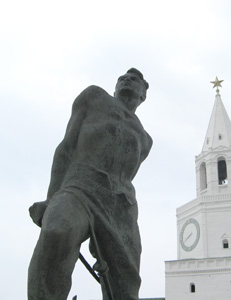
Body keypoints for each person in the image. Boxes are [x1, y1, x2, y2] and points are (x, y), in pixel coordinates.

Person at [28, 68, 152, 300]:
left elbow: (126, 173)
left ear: (143, 94)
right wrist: (51, 197)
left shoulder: (145, 139)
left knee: (126, 285)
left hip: (121, 207)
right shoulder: (94, 97)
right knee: (57, 230)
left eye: (134, 80)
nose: (126, 79)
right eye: (122, 77)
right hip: (80, 188)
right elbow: (66, 148)